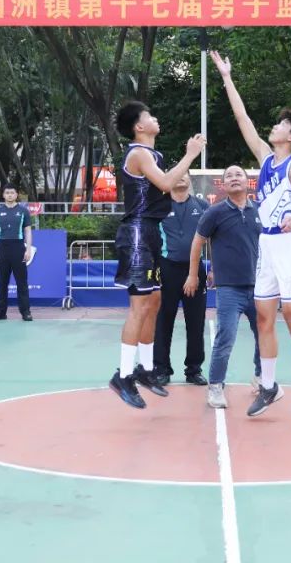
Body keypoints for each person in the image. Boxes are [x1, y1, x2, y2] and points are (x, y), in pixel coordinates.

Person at [211, 50, 291, 426]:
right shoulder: (264, 158)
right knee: (263, 317)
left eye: (280, 125)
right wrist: (227, 77)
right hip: (268, 245)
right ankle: (270, 386)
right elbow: (242, 118)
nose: (273, 127)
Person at [109, 101, 204, 409]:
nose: (156, 118)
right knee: (139, 307)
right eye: (150, 116)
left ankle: (146, 369)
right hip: (137, 232)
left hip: (151, 232)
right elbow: (165, 183)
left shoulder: (153, 155)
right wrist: (190, 154)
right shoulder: (138, 154)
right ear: (139, 126)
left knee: (154, 302)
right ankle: (123, 376)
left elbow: (165, 184)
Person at [184, 165, 263, 408]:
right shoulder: (215, 212)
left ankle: (262, 377)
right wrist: (193, 275)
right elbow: (197, 243)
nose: (234, 178)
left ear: (247, 182)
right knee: (225, 338)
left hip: (259, 287)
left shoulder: (259, 211)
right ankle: (216, 386)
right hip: (229, 288)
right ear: (224, 185)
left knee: (264, 335)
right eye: (229, 176)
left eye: (239, 174)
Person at [153, 173, 209, 386]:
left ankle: (194, 370)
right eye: (176, 175)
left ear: (190, 181)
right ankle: (161, 369)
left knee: (196, 322)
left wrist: (213, 268)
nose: (180, 178)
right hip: (167, 268)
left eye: (185, 175)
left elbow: (213, 237)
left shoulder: (202, 206)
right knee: (163, 321)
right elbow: (150, 237)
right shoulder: (159, 206)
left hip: (195, 270)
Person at [0, 185, 33, 321]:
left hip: (18, 247)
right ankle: (1, 312)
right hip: (2, 248)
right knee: (2, 282)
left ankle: (26, 312)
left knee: (22, 282)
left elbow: (28, 231)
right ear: (3, 195)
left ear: (16, 195)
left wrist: (28, 249)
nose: (9, 195)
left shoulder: (23, 211)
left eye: (12, 192)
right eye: (7, 192)